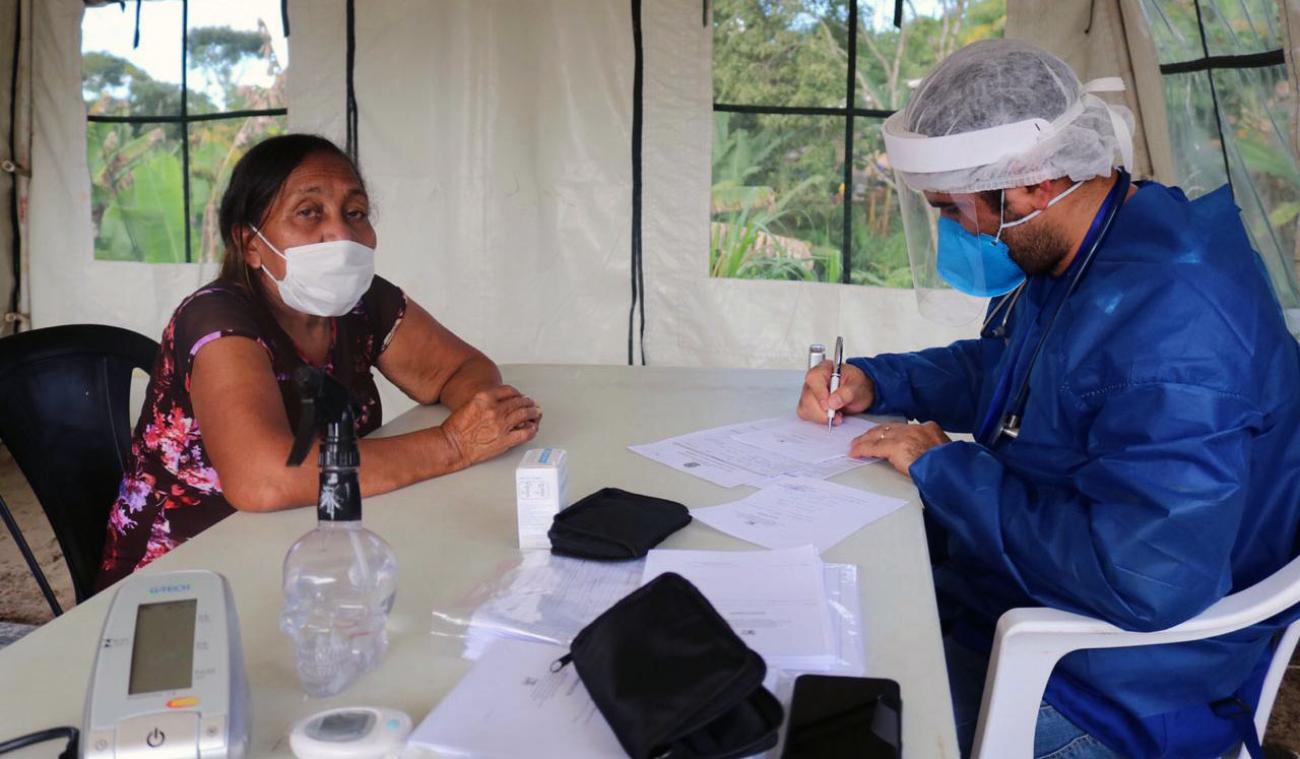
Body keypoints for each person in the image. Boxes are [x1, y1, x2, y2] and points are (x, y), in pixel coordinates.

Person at [797, 40, 1300, 758]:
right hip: (1023, 600)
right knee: (829, 628)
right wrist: (881, 381)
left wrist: (946, 468)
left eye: (953, 207)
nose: (955, 229)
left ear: (1029, 183)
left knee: (835, 725)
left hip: (1111, 688)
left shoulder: (1173, 323)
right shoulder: (1094, 240)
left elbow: (1144, 578)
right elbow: (1011, 373)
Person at [98, 134, 541, 588]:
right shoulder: (217, 320)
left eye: (355, 213)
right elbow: (263, 478)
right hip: (191, 579)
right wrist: (452, 446)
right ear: (249, 243)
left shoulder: (363, 303)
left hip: (319, 542)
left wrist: (481, 415)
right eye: (309, 213)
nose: (342, 233)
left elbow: (461, 369)